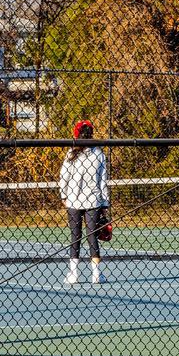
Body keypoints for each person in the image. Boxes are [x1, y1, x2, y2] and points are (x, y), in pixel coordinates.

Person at [58, 119, 109, 286]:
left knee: (75, 237)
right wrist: (105, 203)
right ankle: (96, 274)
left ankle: (73, 274)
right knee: (92, 236)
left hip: (73, 200)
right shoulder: (99, 154)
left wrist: (63, 195)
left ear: (77, 133)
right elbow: (103, 181)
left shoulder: (71, 153)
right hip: (93, 200)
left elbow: (64, 177)